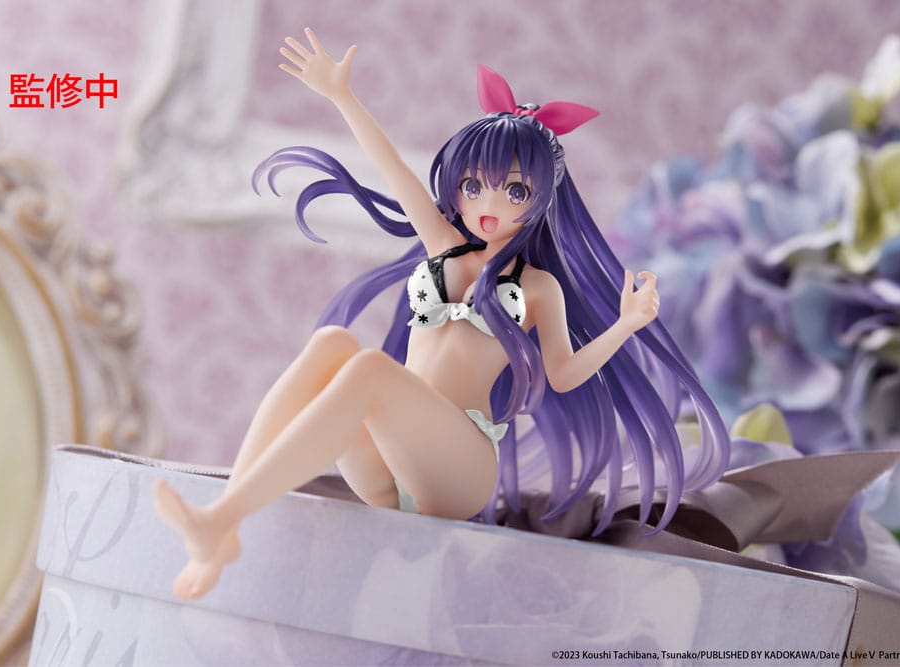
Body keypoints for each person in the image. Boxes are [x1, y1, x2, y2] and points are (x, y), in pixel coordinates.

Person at [154, 28, 730, 601]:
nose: (489, 205)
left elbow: (563, 375)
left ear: (540, 200)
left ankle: (218, 520)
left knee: (370, 369)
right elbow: (393, 172)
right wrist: (342, 96)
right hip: (388, 464)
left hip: (458, 469)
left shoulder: (538, 287)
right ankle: (225, 522)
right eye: (474, 186)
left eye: (514, 191)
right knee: (332, 342)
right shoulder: (444, 246)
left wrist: (626, 325)